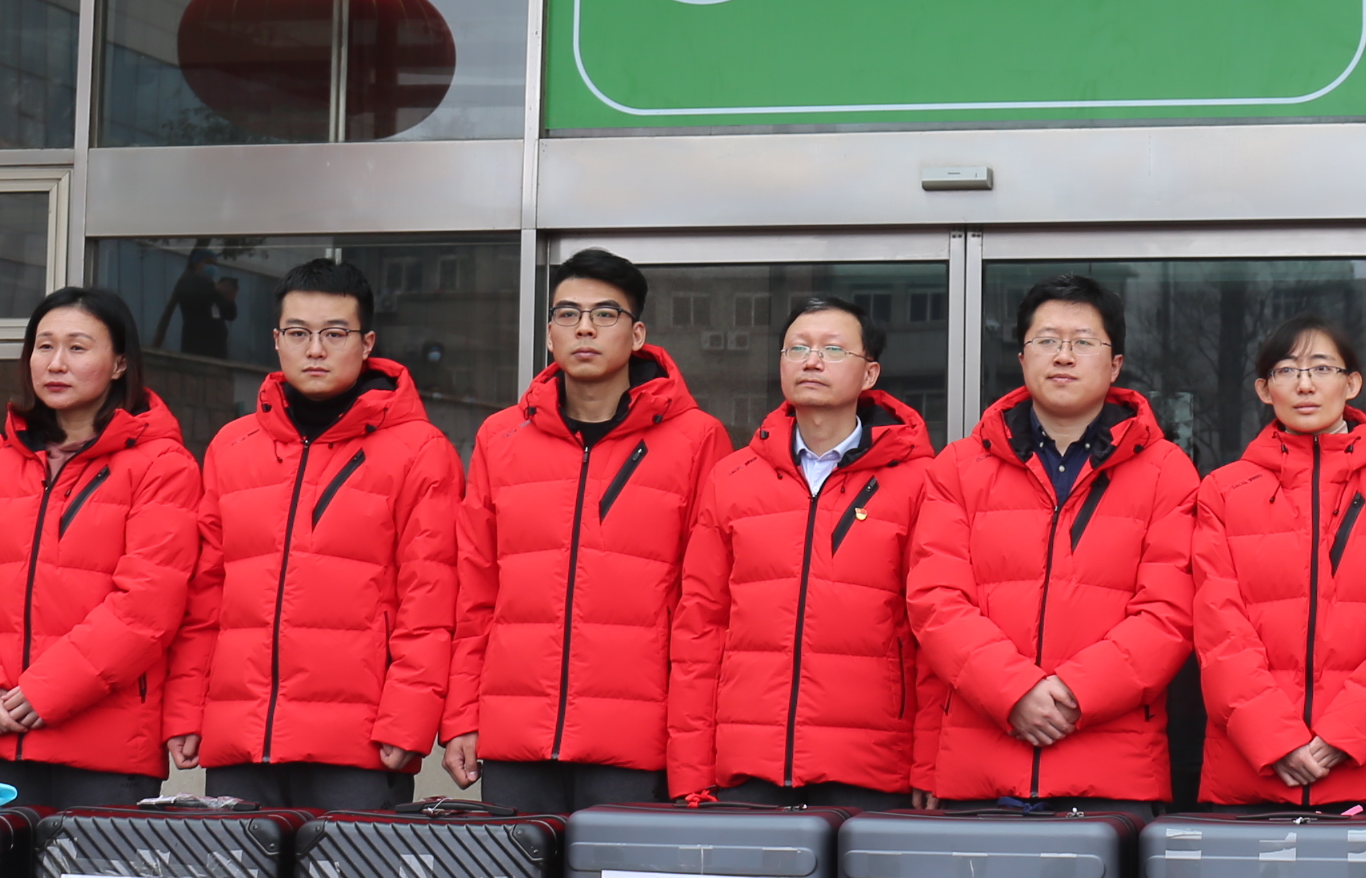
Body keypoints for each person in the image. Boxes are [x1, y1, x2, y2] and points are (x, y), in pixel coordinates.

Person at [165, 256, 461, 811]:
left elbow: (430, 599)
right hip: (242, 739)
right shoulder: (232, 447)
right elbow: (204, 597)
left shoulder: (420, 451)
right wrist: (186, 709)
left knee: (349, 874)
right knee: (240, 871)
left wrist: (410, 719)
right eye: (299, 333)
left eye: (335, 334)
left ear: (367, 343)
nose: (316, 349)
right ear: (277, 340)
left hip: (359, 746)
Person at [447, 250, 729, 815]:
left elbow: (705, 607)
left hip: (638, 740)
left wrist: (694, 743)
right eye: (568, 314)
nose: (584, 328)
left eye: (605, 314)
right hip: (516, 734)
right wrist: (462, 715)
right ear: (549, 333)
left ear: (637, 334)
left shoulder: (697, 439)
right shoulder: (500, 438)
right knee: (515, 875)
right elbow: (475, 593)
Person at [910, 275, 1201, 812]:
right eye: (1047, 340)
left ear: (1115, 365)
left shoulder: (1167, 471)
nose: (1063, 355)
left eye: (1083, 342)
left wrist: (1075, 695)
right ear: (1022, 359)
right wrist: (1013, 692)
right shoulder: (959, 467)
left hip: (1113, 774)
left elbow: (1169, 613)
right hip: (980, 770)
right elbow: (937, 602)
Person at [0, 286, 203, 811]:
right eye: (44, 346)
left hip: (106, 746)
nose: (56, 363)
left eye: (77, 347)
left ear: (119, 364)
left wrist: (47, 691)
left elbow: (146, 605)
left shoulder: (163, 465)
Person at [668, 296, 942, 808]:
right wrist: (690, 768)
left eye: (833, 349)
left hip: (872, 766)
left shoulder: (921, 482)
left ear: (869, 374)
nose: (812, 361)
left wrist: (930, 764)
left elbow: (933, 637)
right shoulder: (731, 478)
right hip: (747, 765)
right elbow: (700, 628)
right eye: (798, 348)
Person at [1186, 318, 1366, 810]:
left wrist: (1348, 733)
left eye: (1322, 368)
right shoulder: (1222, 490)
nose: (1305, 384)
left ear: (1352, 384)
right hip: (1250, 770)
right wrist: (1272, 737)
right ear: (1264, 389)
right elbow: (1218, 627)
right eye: (1287, 370)